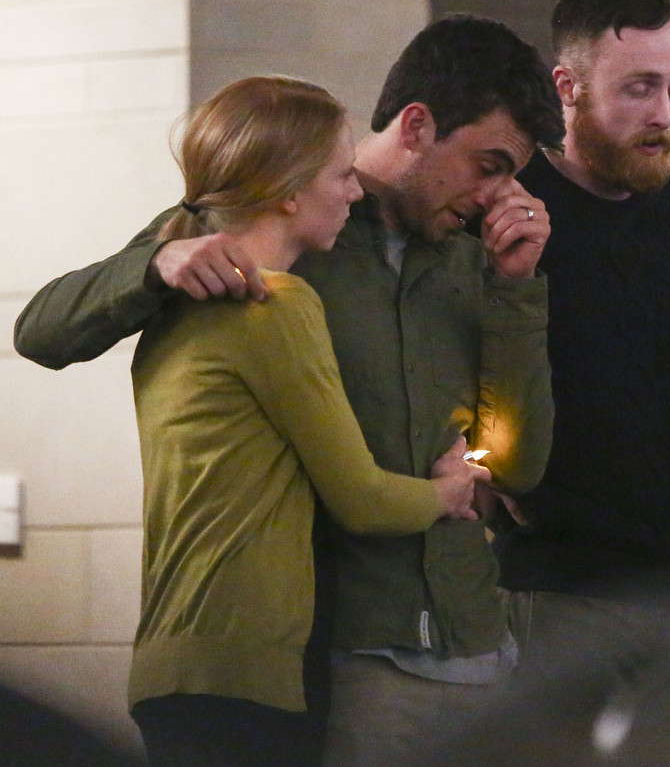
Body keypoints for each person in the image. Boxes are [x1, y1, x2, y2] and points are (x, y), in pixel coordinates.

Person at [13, 15, 564, 767]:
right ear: (417, 126)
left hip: (478, 644)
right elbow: (41, 330)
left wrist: (515, 289)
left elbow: (516, 465)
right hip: (343, 655)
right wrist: (156, 263)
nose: (499, 195)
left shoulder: (475, 264)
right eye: (488, 165)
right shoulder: (274, 229)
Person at [110, 75, 491, 766]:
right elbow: (363, 498)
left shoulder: (171, 308)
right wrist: (451, 489)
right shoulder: (278, 305)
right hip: (246, 665)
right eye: (342, 175)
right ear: (289, 192)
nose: (355, 194)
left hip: (175, 657)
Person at [492, 0, 670, 672]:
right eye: (639, 88)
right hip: (558, 583)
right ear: (567, 88)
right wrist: (487, 471)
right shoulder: (507, 210)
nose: (663, 112)